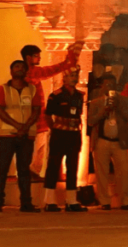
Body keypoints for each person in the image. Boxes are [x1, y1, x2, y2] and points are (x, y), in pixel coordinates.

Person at [21, 42, 83, 179]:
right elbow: (49, 71)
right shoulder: (29, 72)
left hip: (39, 120)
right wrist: (65, 63)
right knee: (35, 150)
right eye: (36, 56)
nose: (39, 58)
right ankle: (29, 174)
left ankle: (33, 173)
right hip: (32, 120)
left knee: (40, 149)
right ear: (28, 57)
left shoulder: (31, 72)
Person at [0, 61, 43, 213]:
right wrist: (18, 125)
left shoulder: (32, 89)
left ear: (26, 71)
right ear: (11, 71)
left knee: (24, 170)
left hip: (26, 136)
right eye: (16, 67)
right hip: (6, 135)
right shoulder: (3, 89)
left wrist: (25, 128)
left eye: (22, 67)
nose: (20, 69)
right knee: (1, 169)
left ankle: (26, 203)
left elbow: (36, 111)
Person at [42, 66, 86, 212]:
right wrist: (55, 128)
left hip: (74, 134)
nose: (74, 78)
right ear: (64, 78)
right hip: (59, 134)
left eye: (76, 75)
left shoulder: (80, 95)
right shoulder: (56, 95)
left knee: (73, 166)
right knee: (53, 166)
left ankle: (71, 201)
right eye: (71, 75)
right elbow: (48, 115)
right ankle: (50, 201)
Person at [89, 74, 128, 210]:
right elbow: (91, 121)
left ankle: (126, 201)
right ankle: (104, 201)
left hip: (119, 141)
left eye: (112, 85)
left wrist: (118, 107)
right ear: (102, 86)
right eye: (107, 85)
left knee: (124, 172)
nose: (110, 87)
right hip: (101, 140)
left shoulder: (124, 100)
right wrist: (104, 111)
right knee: (101, 172)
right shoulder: (96, 102)